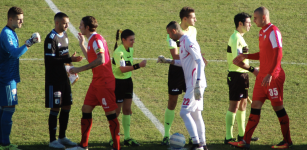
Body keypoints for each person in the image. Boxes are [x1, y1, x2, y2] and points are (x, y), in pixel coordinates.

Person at [229, 7, 292, 150]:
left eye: (255, 18)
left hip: (273, 77)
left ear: (264, 18)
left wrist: (270, 74)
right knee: (255, 106)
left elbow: (278, 53)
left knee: (278, 108)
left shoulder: (273, 32)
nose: (253, 21)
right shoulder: (262, 32)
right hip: (262, 77)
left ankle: (287, 141)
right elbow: (263, 54)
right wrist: (245, 56)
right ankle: (245, 141)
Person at [67, 16, 120, 150]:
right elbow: (91, 58)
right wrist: (82, 45)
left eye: (81, 25)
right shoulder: (92, 40)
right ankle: (83, 146)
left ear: (87, 27)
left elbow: (101, 60)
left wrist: (79, 69)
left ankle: (117, 147)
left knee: (110, 115)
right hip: (96, 83)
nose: (79, 27)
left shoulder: (96, 40)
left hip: (104, 83)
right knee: (86, 109)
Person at [158, 21, 208, 150]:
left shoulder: (188, 41)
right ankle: (202, 145)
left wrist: (197, 82)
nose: (169, 36)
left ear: (174, 31)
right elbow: (184, 62)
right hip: (194, 83)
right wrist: (167, 61)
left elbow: (200, 61)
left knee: (184, 112)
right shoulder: (183, 42)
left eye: (169, 33)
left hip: (194, 83)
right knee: (196, 114)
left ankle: (196, 143)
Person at [0, 6, 40, 150]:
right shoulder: (6, 34)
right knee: (9, 109)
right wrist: (30, 42)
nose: (22, 22)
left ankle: (3, 143)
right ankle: (5, 144)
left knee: (4, 109)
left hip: (7, 76)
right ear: (11, 19)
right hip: (7, 78)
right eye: (19, 19)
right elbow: (15, 53)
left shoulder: (10, 32)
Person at [44, 12, 83, 149]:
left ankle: (62, 137)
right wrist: (69, 59)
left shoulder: (64, 35)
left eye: (68, 22)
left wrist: (69, 60)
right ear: (57, 23)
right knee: (55, 107)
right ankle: (52, 140)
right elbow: (51, 60)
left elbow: (63, 55)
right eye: (65, 23)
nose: (67, 25)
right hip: (54, 80)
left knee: (67, 105)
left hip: (64, 78)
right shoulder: (51, 38)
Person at [162, 6, 198, 145]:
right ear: (185, 19)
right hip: (177, 70)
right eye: (193, 17)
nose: (195, 19)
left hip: (189, 70)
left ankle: (193, 136)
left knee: (192, 104)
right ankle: (166, 135)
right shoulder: (171, 33)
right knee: (172, 101)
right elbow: (175, 55)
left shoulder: (194, 31)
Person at [224, 12, 259, 144]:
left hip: (242, 75)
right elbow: (236, 61)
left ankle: (242, 135)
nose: (250, 24)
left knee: (243, 104)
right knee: (234, 105)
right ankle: (228, 137)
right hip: (236, 75)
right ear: (240, 23)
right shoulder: (236, 38)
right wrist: (253, 70)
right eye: (248, 22)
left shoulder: (240, 37)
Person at [108, 29, 146, 147]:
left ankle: (127, 138)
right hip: (118, 83)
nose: (133, 42)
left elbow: (127, 67)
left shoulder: (130, 49)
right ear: (123, 40)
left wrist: (134, 67)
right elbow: (122, 69)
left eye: (134, 40)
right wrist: (138, 66)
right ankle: (112, 138)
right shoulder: (118, 52)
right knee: (117, 111)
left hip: (128, 82)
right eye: (131, 40)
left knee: (127, 110)